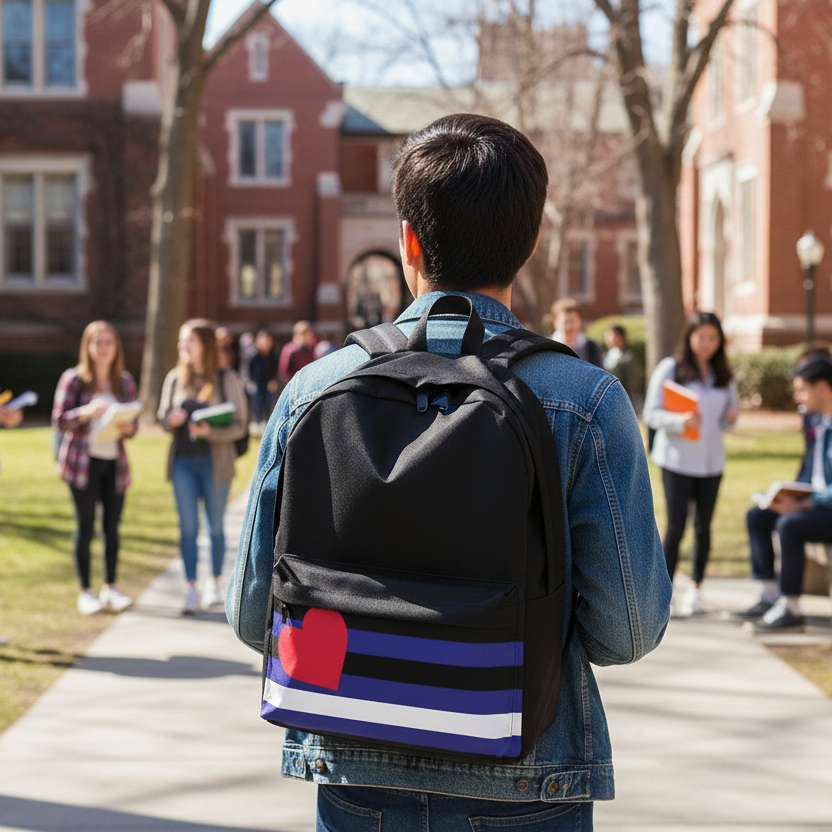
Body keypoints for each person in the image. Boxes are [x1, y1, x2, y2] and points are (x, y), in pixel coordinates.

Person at [227, 113, 671, 831]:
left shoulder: (314, 389)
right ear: (527, 246)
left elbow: (254, 616)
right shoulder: (585, 402)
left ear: (407, 241)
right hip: (529, 779)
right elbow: (628, 631)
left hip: (353, 769)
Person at [642, 311, 740, 615]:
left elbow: (727, 420)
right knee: (676, 526)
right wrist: (679, 421)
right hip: (677, 460)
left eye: (713, 337)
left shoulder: (724, 374)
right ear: (689, 337)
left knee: (704, 527)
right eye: (701, 337)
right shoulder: (670, 369)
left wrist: (731, 418)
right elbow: (650, 413)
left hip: (712, 463)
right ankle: (665, 592)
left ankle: (696, 589)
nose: (707, 343)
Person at [735, 355, 832, 632]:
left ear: (822, 387)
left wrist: (806, 505)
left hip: (826, 508)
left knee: (790, 525)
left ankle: (791, 609)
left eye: (802, 388)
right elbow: (813, 474)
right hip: (817, 504)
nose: (796, 395)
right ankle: (769, 595)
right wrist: (788, 496)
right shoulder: (817, 422)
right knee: (759, 515)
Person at [158, 319, 248, 614]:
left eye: (189, 341)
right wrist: (170, 420)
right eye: (181, 342)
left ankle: (215, 583)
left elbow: (240, 424)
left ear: (205, 345)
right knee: (187, 527)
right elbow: (162, 415)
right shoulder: (174, 378)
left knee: (216, 527)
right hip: (183, 461)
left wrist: (212, 432)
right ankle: (191, 588)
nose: (182, 347)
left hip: (215, 463)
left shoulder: (226, 378)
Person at [51, 321, 138, 615]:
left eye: (108, 343)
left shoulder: (124, 381)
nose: (103, 349)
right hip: (81, 464)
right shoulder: (73, 379)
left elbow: (133, 425)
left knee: (111, 528)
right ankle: (85, 591)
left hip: (114, 463)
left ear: (116, 348)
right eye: (97, 343)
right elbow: (59, 419)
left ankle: (110, 587)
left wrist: (127, 426)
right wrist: (85, 413)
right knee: (85, 527)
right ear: (87, 347)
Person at [550, 298, 603, 366]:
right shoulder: (546, 346)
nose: (569, 326)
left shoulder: (591, 347)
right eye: (565, 321)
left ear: (580, 321)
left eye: (572, 321)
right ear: (555, 322)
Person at [602, 324, 642, 406]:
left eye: (610, 335)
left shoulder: (628, 357)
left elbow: (634, 381)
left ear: (619, 337)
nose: (607, 339)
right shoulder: (605, 355)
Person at [247, 329, 279, 426]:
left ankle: (267, 423)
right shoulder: (254, 356)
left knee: (268, 404)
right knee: (257, 404)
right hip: (257, 383)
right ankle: (257, 423)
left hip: (269, 384)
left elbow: (276, 370)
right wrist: (250, 381)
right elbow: (250, 370)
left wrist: (274, 381)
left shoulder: (273, 356)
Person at [277, 320, 317, 384]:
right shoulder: (290, 351)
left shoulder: (311, 349)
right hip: (294, 385)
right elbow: (284, 372)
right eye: (305, 335)